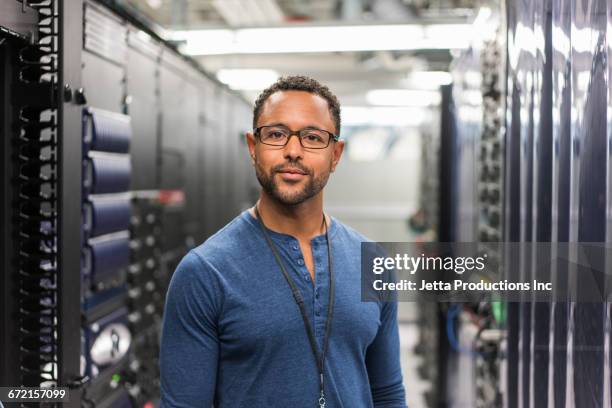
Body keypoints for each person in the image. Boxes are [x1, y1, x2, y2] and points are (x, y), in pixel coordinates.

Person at [159, 75, 406, 407]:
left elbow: (388, 393)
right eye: (276, 134)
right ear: (253, 147)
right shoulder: (204, 273)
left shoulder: (372, 263)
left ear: (336, 154)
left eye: (313, 138)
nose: (293, 151)